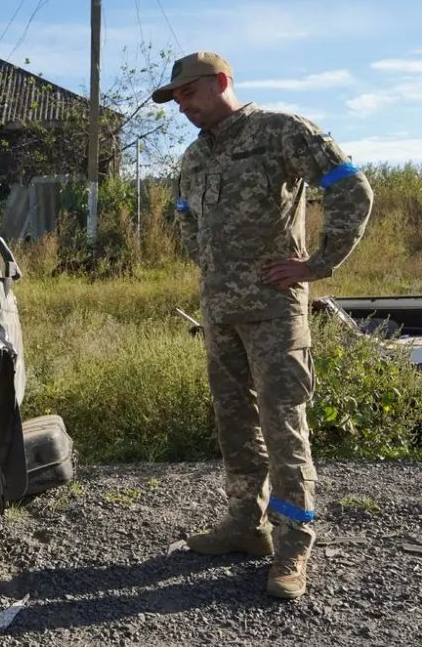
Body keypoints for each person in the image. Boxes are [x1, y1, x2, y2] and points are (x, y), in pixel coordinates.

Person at [152, 52, 373, 599]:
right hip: (220, 313)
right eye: (175, 98)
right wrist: (210, 267)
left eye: (189, 93)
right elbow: (184, 213)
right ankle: (244, 525)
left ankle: (293, 545)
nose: (182, 105)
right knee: (235, 427)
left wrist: (317, 264)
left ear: (222, 82)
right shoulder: (195, 155)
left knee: (282, 428)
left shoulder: (280, 132)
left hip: (275, 312)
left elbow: (352, 188)